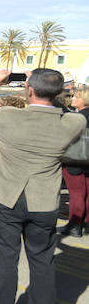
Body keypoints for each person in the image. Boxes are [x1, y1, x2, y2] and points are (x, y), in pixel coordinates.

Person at [0, 69, 85, 304]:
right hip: (43, 201)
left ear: (28, 90)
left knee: (6, 259)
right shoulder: (73, 123)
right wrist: (46, 88)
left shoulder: (8, 117)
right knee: (43, 261)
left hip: (6, 197)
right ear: (59, 93)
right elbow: (60, 111)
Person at [60, 87, 89, 237]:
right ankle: (86, 223)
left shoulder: (77, 118)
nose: (73, 99)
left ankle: (75, 225)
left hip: (75, 159)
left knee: (77, 194)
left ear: (84, 99)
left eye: (76, 97)